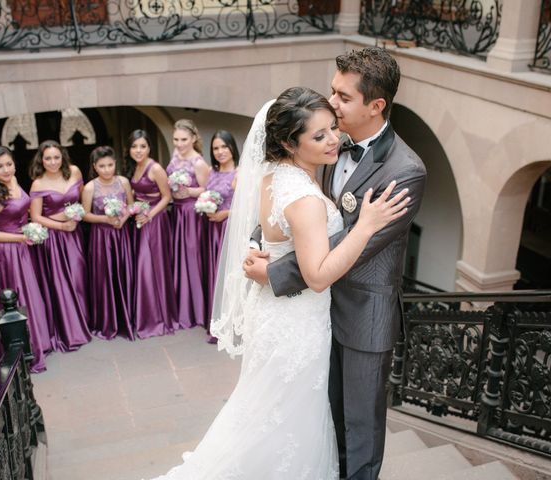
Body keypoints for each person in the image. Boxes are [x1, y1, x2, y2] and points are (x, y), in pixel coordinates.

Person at [147, 87, 409, 479]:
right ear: (290, 142)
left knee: (265, 407)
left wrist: (258, 250)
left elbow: (267, 232)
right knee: (288, 414)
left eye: (332, 129)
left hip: (275, 313)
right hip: (298, 321)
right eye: (318, 136)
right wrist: (366, 226)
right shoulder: (303, 196)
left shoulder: (274, 177)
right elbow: (318, 276)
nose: (333, 140)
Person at [244, 48, 427, 480]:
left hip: (363, 317)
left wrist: (273, 273)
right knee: (320, 422)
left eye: (343, 97)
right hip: (314, 315)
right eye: (332, 91)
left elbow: (352, 242)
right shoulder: (329, 141)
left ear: (376, 105)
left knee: (360, 431)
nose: (332, 103)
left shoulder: (405, 170)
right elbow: (293, 209)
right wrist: (258, 241)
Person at [0, 146, 51, 373]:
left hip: (20, 248)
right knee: (14, 301)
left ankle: (35, 345)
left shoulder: (14, 181)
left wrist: (29, 230)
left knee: (28, 295)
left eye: (8, 164)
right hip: (4, 253)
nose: (5, 169)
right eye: (0, 166)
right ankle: (19, 354)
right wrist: (20, 237)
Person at [29, 140, 92, 352]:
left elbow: (84, 201)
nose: (53, 162)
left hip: (75, 233)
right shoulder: (38, 183)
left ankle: (86, 321)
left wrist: (76, 217)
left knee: (80, 275)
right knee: (62, 282)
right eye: (48, 158)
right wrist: (60, 223)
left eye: (56, 157)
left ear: (63, 156)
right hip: (55, 239)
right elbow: (35, 217)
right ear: (41, 160)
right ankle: (71, 329)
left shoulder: (74, 172)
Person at [127, 130, 178, 338]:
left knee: (151, 266)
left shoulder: (155, 168)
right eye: (134, 146)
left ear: (149, 148)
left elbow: (167, 197)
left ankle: (158, 318)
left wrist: (149, 215)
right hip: (141, 220)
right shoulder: (135, 167)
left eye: (142, 146)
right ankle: (146, 315)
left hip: (155, 221)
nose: (138, 151)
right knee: (143, 267)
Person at [82, 145, 135, 340]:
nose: (106, 169)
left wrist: (123, 218)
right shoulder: (89, 187)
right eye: (102, 166)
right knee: (106, 277)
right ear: (95, 166)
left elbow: (131, 205)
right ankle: (108, 320)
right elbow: (85, 215)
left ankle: (129, 317)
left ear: (115, 164)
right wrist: (105, 219)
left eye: (110, 165)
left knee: (125, 272)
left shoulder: (123, 182)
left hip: (122, 235)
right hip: (101, 238)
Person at [166, 119, 211, 330]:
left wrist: (189, 191)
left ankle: (196, 311)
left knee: (191, 259)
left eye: (183, 139)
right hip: (177, 213)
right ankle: (181, 307)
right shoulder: (175, 157)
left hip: (192, 215)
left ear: (193, 138)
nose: (179, 144)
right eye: (176, 139)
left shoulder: (198, 163)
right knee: (179, 258)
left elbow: (207, 188)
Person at [203, 130, 239, 339]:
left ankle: (232, 323)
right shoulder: (211, 172)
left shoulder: (240, 172)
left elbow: (250, 208)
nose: (220, 152)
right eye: (216, 148)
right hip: (212, 231)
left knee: (229, 274)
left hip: (229, 230)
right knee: (215, 274)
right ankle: (216, 320)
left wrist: (226, 213)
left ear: (232, 147)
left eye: (224, 147)